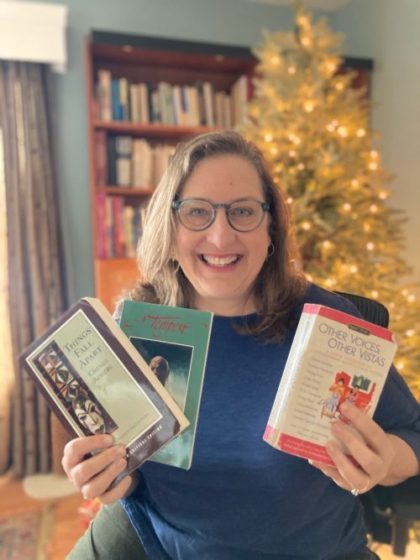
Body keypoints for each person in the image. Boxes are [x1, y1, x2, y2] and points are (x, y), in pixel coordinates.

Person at [63, 131, 420, 560]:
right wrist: (106, 472)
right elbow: (138, 466)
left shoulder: (328, 323)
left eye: (243, 212)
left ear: (271, 230)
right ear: (171, 227)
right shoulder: (137, 325)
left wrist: (384, 464)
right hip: (165, 547)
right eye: (197, 212)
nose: (220, 237)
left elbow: (413, 434)